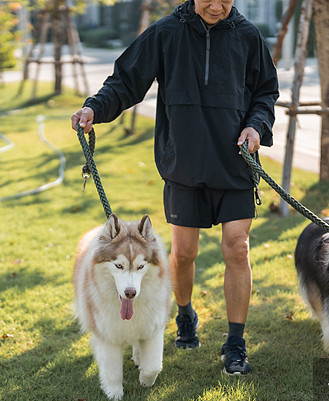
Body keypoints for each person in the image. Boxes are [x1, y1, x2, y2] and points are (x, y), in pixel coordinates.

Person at [71, 0, 278, 376]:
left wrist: (256, 127)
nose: (217, 6)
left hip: (234, 163)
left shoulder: (248, 36)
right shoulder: (167, 32)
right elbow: (127, 80)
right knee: (183, 253)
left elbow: (265, 93)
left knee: (237, 245)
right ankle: (185, 315)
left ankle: (235, 343)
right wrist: (94, 109)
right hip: (184, 164)